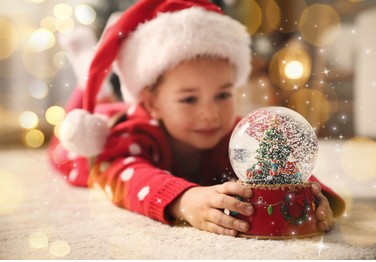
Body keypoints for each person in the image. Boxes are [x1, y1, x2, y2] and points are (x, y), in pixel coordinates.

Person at [49, 0, 345, 237]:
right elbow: (128, 174)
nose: (211, 113)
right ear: (152, 104)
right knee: (83, 130)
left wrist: (313, 194)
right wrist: (184, 200)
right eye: (189, 99)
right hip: (101, 139)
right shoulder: (133, 135)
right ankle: (88, 76)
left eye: (223, 95)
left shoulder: (234, 136)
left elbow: (275, 162)